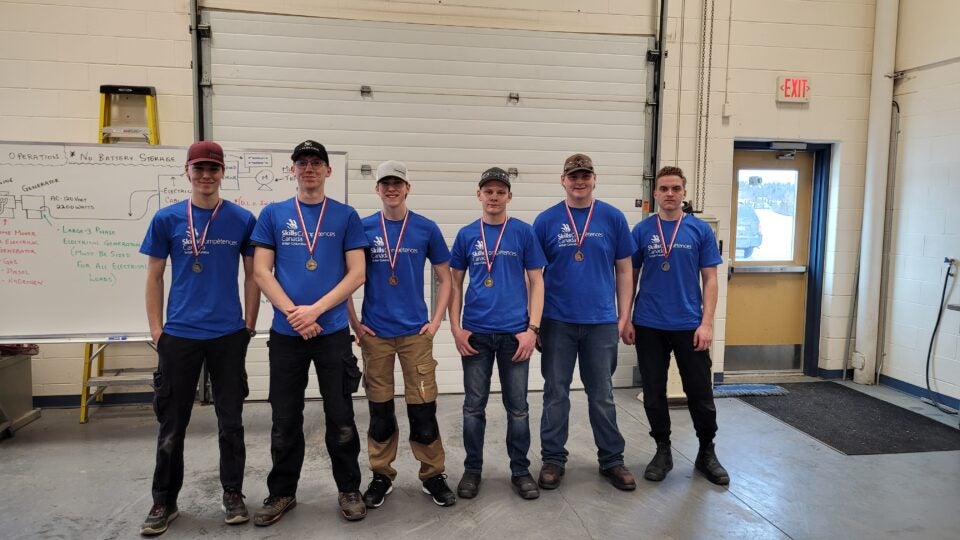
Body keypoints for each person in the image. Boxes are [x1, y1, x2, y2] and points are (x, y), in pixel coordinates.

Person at [139, 141, 259, 536]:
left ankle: (233, 493)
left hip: (227, 335)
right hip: (180, 336)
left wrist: (249, 323)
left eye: (213, 169)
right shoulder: (166, 218)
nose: (206, 176)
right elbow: (154, 275)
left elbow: (253, 275)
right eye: (199, 169)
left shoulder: (242, 219)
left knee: (231, 422)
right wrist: (158, 330)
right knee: (172, 423)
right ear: (187, 172)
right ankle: (165, 500)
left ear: (223, 172)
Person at [249, 140, 368, 525]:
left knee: (342, 416)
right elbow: (261, 272)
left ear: (328, 171)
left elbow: (357, 273)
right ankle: (282, 492)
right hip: (286, 335)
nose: (310, 168)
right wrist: (293, 314)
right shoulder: (273, 214)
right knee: (284, 418)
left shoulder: (346, 216)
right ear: (292, 170)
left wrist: (315, 310)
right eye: (302, 163)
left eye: (317, 163)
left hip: (332, 331)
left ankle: (349, 489)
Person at [346, 160, 457, 509]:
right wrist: (354, 322)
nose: (391, 189)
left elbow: (446, 277)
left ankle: (433, 474)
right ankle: (381, 475)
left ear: (408, 188)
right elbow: (344, 276)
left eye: (398, 183)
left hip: (415, 334)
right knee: (380, 412)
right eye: (385, 184)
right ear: (377, 189)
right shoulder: (362, 228)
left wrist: (436, 320)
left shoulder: (425, 228)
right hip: (375, 334)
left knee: (423, 410)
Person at [532, 153, 638, 491]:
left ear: (594, 179)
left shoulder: (612, 218)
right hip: (557, 322)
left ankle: (612, 460)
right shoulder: (546, 221)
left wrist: (624, 316)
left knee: (602, 394)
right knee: (555, 393)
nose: (579, 181)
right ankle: (552, 460)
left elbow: (625, 270)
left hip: (601, 323)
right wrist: (533, 322)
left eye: (585, 176)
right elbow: (533, 278)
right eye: (573, 176)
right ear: (562, 180)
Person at [621, 165, 729, 485]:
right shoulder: (641, 231)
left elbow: (710, 279)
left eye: (675, 189)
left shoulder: (698, 230)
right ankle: (662, 449)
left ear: (684, 193)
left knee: (699, 391)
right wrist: (625, 317)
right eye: (664, 189)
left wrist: (706, 323)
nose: (669, 194)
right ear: (654, 193)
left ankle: (706, 451)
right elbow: (630, 275)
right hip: (649, 324)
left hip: (689, 324)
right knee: (653, 392)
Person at [449, 167, 546, 500]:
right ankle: (472, 471)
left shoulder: (523, 233)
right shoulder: (465, 235)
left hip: (514, 336)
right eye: (488, 191)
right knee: (473, 408)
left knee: (517, 408)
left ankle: (520, 470)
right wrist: (456, 328)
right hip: (476, 334)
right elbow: (454, 285)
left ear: (509, 196)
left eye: (499, 191)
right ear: (479, 195)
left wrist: (532, 329)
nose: (493, 197)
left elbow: (537, 282)